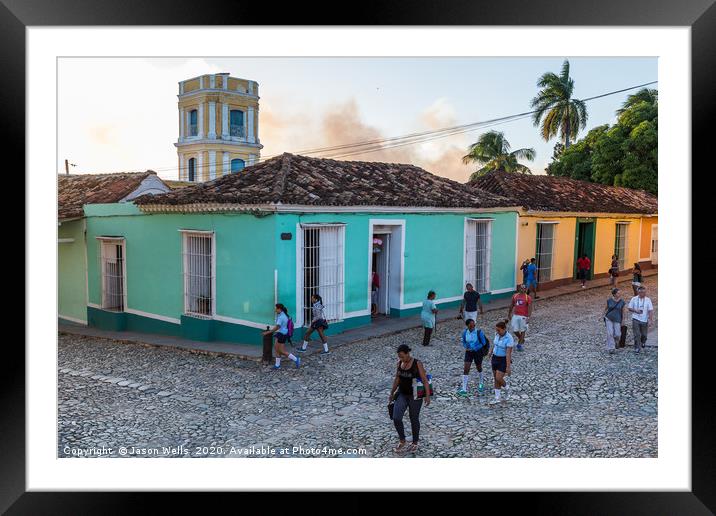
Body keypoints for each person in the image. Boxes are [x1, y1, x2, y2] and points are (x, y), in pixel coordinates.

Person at [388, 344, 431, 454]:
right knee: (396, 417)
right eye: (399, 357)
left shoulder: (417, 364)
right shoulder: (399, 364)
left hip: (415, 396)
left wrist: (427, 395)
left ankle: (415, 442)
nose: (401, 358)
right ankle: (402, 440)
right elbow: (397, 379)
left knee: (413, 418)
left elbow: (425, 380)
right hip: (402, 394)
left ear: (408, 353)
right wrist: (392, 393)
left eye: (402, 356)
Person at [457, 318, 489, 397]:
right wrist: (466, 346)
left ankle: (481, 382)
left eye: (474, 325)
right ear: (467, 325)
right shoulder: (465, 332)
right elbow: (464, 341)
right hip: (468, 352)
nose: (473, 326)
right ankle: (464, 389)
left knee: (479, 367)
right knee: (466, 369)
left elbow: (483, 343)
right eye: (471, 325)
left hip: (477, 352)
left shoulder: (479, 332)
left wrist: (475, 348)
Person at [262, 304, 300, 369]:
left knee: (281, 351)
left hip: (282, 334)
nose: (275, 310)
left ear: (279, 309)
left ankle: (296, 359)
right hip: (282, 334)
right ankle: (277, 365)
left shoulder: (281, 317)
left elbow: (277, 327)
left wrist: (267, 332)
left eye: (276, 308)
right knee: (277, 349)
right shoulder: (283, 315)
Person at [488, 320, 514, 405]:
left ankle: (507, 388)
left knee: (499, 378)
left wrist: (508, 367)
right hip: (495, 358)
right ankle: (497, 398)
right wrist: (490, 352)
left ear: (504, 329)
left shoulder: (509, 338)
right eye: (496, 330)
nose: (497, 332)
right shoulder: (497, 334)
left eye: (499, 330)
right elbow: (494, 344)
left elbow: (508, 353)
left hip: (503, 359)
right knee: (495, 378)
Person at [627, 286, 654, 354]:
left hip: (644, 319)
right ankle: (637, 348)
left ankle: (643, 342)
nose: (643, 293)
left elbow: (650, 310)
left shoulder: (648, 300)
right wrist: (635, 310)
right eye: (641, 292)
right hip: (635, 318)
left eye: (644, 292)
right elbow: (629, 308)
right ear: (638, 292)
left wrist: (650, 320)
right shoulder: (634, 299)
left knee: (644, 335)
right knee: (637, 334)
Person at [508, 284, 532, 352]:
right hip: (515, 315)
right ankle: (521, 339)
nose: (522, 289)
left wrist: (528, 317)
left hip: (524, 316)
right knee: (515, 330)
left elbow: (530, 308)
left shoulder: (528, 298)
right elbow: (512, 305)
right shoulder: (515, 296)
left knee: (523, 330)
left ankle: (519, 344)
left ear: (526, 289)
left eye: (524, 288)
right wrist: (509, 313)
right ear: (519, 289)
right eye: (521, 288)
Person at [604, 288, 626, 354]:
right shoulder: (609, 300)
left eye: (620, 293)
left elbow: (623, 312)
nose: (619, 294)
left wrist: (623, 320)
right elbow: (606, 308)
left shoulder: (622, 302)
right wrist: (602, 315)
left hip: (618, 319)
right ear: (614, 294)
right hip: (609, 318)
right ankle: (611, 348)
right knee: (609, 333)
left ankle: (616, 342)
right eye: (618, 293)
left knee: (617, 334)